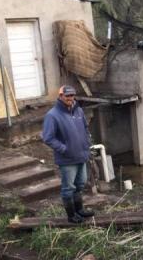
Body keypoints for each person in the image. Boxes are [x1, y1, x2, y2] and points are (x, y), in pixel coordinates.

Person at [42, 85, 95, 223]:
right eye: (67, 96)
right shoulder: (52, 115)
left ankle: (80, 210)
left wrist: (87, 143)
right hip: (67, 159)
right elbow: (48, 138)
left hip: (81, 155)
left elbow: (85, 128)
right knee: (68, 188)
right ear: (60, 96)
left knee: (80, 184)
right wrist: (64, 149)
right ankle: (71, 215)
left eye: (72, 95)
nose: (70, 98)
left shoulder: (78, 111)